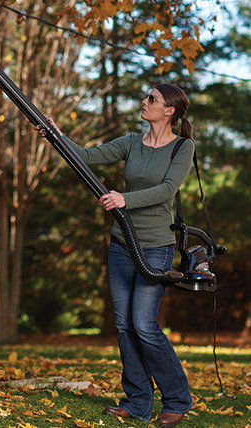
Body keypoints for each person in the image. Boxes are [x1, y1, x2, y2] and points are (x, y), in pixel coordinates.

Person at [39, 84, 194, 427]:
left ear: (169, 110)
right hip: (122, 243)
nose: (145, 102)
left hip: (155, 245)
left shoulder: (183, 147)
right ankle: (137, 401)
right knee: (124, 325)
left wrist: (124, 199)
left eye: (152, 98)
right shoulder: (131, 142)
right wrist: (55, 135)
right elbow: (87, 156)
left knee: (143, 324)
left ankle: (178, 399)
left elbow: (168, 189)